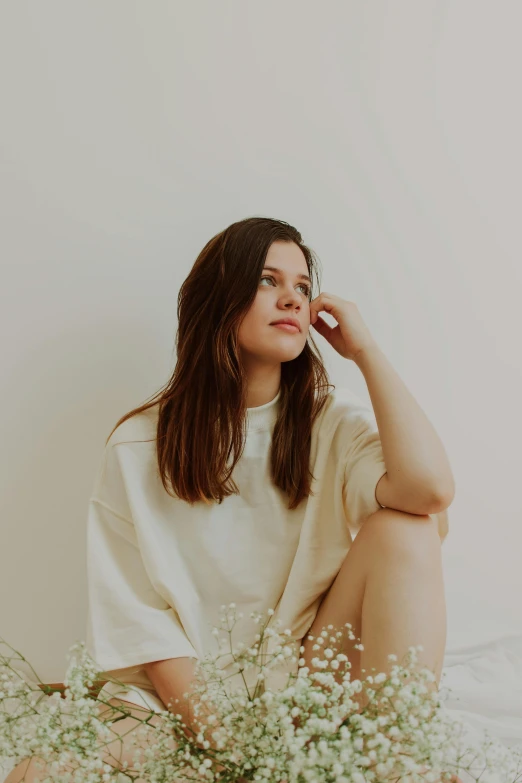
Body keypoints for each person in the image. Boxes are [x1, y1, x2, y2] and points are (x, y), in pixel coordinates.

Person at [5, 216, 455, 782]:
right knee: (43, 765)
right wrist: (233, 749)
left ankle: (402, 765)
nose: (292, 298)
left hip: (307, 693)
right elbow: (143, 625)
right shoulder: (139, 445)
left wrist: (365, 352)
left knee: (408, 525)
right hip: (177, 709)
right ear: (219, 299)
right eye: (268, 280)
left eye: (301, 286)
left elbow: (429, 491)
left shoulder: (328, 425)